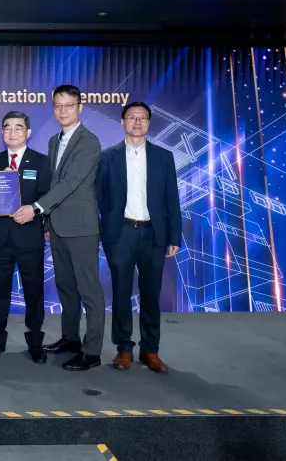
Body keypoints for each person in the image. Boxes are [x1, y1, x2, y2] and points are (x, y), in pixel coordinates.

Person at [12, 84, 104, 371]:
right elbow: (52, 183)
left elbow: (70, 183)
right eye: (58, 105)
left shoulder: (89, 142)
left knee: (89, 291)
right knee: (66, 288)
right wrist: (47, 220)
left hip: (82, 228)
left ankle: (92, 351)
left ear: (80, 107)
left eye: (69, 105)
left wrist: (36, 208)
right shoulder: (54, 141)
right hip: (58, 227)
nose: (63, 111)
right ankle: (70, 338)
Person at [96, 102, 182, 373]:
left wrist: (174, 236)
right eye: (131, 117)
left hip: (153, 234)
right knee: (121, 293)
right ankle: (124, 348)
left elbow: (172, 199)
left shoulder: (163, 157)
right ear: (122, 122)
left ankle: (150, 350)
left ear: (149, 123)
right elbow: (98, 197)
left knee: (151, 294)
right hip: (120, 233)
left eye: (142, 118)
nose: (137, 122)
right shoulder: (107, 157)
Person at [0, 111, 52, 363]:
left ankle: (35, 343)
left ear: (28, 132)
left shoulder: (42, 162)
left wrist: (34, 210)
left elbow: (48, 196)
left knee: (33, 293)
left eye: (18, 127)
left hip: (29, 237)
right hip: (1, 238)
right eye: (7, 128)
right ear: (2, 132)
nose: (12, 132)